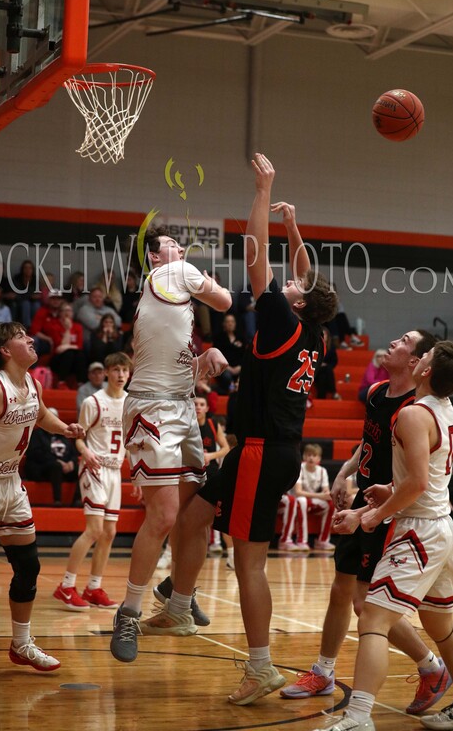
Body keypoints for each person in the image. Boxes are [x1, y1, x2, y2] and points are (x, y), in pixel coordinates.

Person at [139, 154, 338, 705]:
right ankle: (179, 605)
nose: (288, 285)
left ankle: (260, 666)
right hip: (260, 448)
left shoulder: (283, 316)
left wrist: (263, 190)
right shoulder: (314, 333)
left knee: (250, 563)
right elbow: (306, 277)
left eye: (294, 287)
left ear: (296, 303)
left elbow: (256, 256)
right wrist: (295, 226)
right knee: (195, 516)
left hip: (261, 451)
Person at [280, 329, 451, 717]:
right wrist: (344, 473)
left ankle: (431, 666)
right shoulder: (377, 394)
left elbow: (420, 475)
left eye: (404, 341)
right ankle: (323, 671)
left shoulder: (415, 407)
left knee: (365, 604)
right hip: (363, 500)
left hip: (389, 508)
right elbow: (367, 442)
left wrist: (373, 512)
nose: (393, 342)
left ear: (416, 361)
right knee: (341, 591)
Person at [311, 341, 453, 731]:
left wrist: (370, 516)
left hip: (419, 529)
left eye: (427, 357)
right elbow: (429, 473)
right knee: (440, 625)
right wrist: (392, 489)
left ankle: (357, 718)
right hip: (440, 526)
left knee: (372, 618)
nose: (419, 357)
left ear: (425, 372)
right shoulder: (444, 409)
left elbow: (418, 482)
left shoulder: (413, 415)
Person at [109, 223, 231, 662]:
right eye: (170, 244)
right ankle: (129, 612)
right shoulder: (173, 274)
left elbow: (171, 362)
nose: (180, 247)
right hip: (153, 410)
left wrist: (203, 359)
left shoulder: (164, 294)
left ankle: (178, 596)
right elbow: (226, 300)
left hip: (180, 405)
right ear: (154, 258)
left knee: (195, 515)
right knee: (163, 515)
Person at [0, 321, 84, 694]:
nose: (30, 338)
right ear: (5, 351)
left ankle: (21, 644)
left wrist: (65, 429)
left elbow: (42, 416)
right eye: (21, 336)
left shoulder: (33, 384)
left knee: (29, 568)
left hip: (11, 483)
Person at [54, 352, 131, 610]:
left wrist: (139, 481)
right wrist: (84, 451)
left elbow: (131, 443)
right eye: (116, 369)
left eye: (125, 370)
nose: (121, 375)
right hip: (94, 468)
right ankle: (66, 586)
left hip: (115, 470)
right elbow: (78, 436)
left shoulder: (132, 403)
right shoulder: (92, 402)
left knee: (110, 532)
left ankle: (94, 587)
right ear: (106, 372)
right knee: (95, 530)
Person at [153, 394, 230, 617]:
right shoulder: (180, 418)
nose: (198, 407)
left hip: (207, 472)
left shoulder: (213, 425)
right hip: (179, 470)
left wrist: (210, 455)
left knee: (201, 525)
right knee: (179, 520)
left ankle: (179, 590)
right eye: (195, 403)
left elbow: (224, 448)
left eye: (201, 404)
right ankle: (175, 586)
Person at [23, 408, 79, 505]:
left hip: (63, 469)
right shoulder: (37, 434)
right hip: (43, 469)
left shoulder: (63, 436)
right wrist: (57, 461)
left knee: (82, 468)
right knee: (56, 466)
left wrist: (71, 463)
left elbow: (73, 454)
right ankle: (57, 500)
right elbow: (35, 454)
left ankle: (77, 500)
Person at [292, 443, 335, 551]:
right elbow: (298, 492)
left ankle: (322, 540)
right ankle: (302, 541)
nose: (311, 457)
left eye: (314, 455)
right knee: (302, 501)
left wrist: (327, 495)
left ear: (319, 458)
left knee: (330, 504)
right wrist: (320, 495)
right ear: (304, 457)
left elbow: (325, 490)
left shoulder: (322, 471)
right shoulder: (300, 468)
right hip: (299, 500)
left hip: (312, 500)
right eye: (309, 455)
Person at [49, 302, 86, 387]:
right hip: (57, 360)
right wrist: (68, 330)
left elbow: (79, 346)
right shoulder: (55, 326)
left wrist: (66, 347)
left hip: (73, 359)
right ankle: (61, 382)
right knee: (69, 353)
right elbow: (58, 348)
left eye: (69, 310)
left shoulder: (78, 326)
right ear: (60, 313)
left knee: (79, 354)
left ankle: (81, 383)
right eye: (64, 310)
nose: (67, 313)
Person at [212, 313, 246, 394]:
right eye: (228, 322)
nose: (230, 324)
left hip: (239, 368)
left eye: (232, 322)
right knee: (226, 375)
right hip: (224, 368)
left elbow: (245, 355)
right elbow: (216, 356)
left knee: (246, 373)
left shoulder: (241, 338)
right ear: (224, 324)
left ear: (235, 324)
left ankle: (239, 389)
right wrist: (228, 367)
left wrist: (240, 366)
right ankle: (232, 389)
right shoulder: (218, 338)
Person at [314, 327, 340, 399]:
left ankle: (321, 398)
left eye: (325, 334)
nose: (323, 336)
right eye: (322, 334)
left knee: (323, 377)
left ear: (328, 336)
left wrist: (326, 365)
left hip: (324, 372)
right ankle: (334, 392)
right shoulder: (314, 345)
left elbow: (334, 361)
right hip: (315, 370)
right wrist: (319, 364)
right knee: (327, 369)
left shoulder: (331, 347)